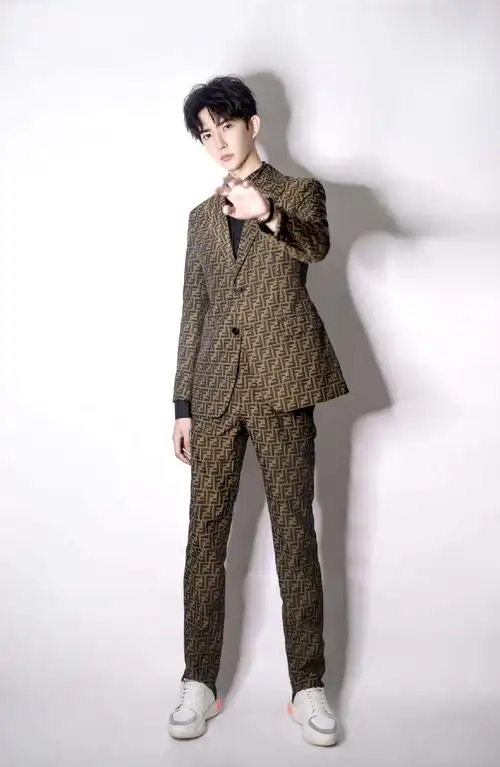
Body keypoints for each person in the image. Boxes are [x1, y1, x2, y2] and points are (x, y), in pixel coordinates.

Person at [169, 75, 349, 747]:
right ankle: (198, 680)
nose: (218, 142)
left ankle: (307, 686)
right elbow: (194, 310)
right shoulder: (198, 218)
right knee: (205, 538)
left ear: (253, 125)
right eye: (205, 133)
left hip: (283, 385)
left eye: (226, 126)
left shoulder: (299, 193)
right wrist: (182, 403)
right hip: (215, 393)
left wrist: (265, 212)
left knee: (295, 536)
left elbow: (316, 245)